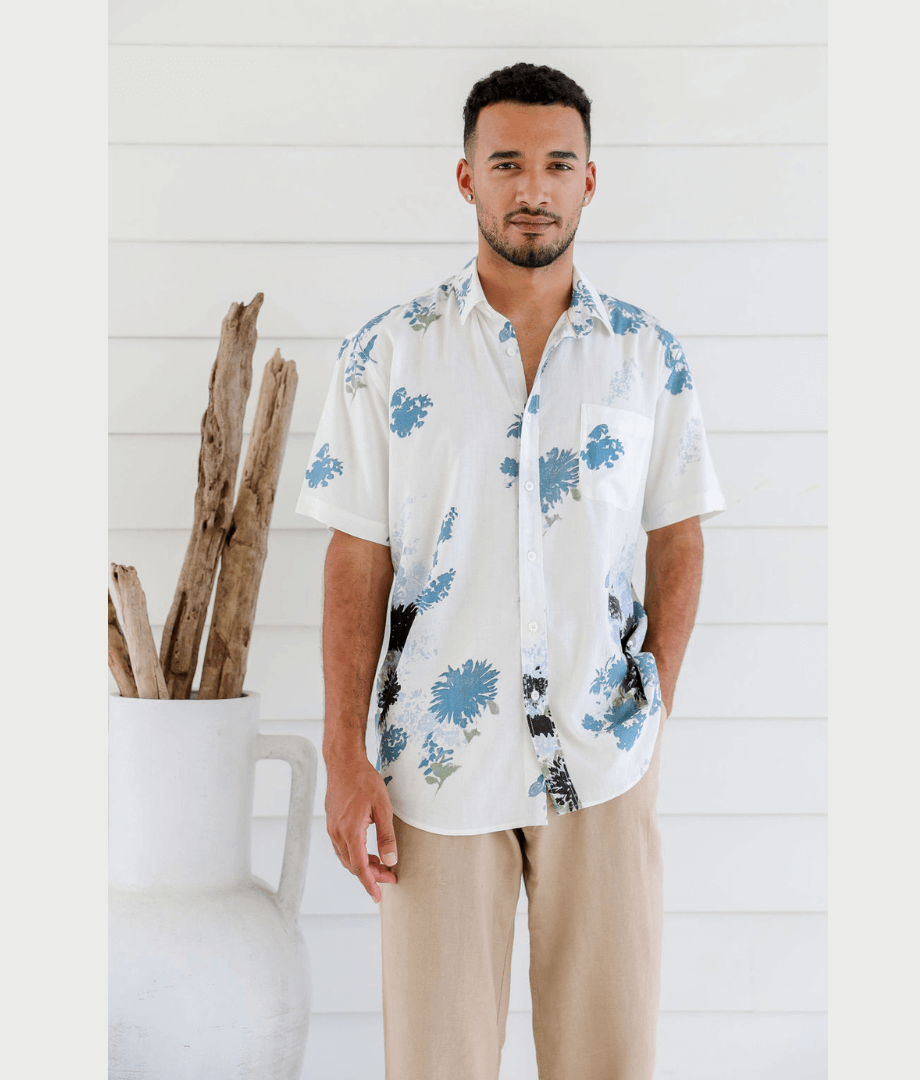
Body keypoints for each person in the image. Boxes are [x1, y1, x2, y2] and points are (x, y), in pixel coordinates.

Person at [295, 62, 725, 1080]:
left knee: (609, 1059)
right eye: (508, 164)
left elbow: (681, 533)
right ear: (466, 179)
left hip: (608, 758)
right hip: (434, 774)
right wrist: (343, 754)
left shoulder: (647, 359)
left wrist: (652, 694)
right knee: (435, 1062)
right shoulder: (386, 358)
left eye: (556, 164)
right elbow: (355, 555)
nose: (532, 187)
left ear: (589, 182)